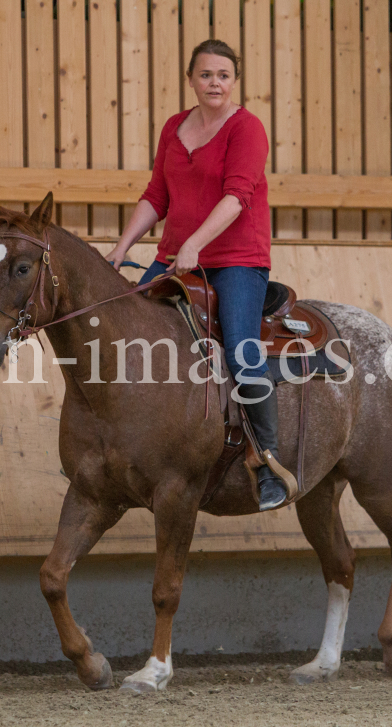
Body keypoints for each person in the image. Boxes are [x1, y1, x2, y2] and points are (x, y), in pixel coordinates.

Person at [106, 39, 294, 511]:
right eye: (207, 75)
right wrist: (123, 246)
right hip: (175, 257)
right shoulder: (174, 127)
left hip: (236, 259)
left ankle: (266, 460)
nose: (215, 83)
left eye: (224, 75)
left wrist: (196, 243)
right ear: (191, 79)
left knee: (242, 350)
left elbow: (237, 196)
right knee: (122, 334)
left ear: (235, 81)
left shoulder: (247, 129)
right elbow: (156, 196)